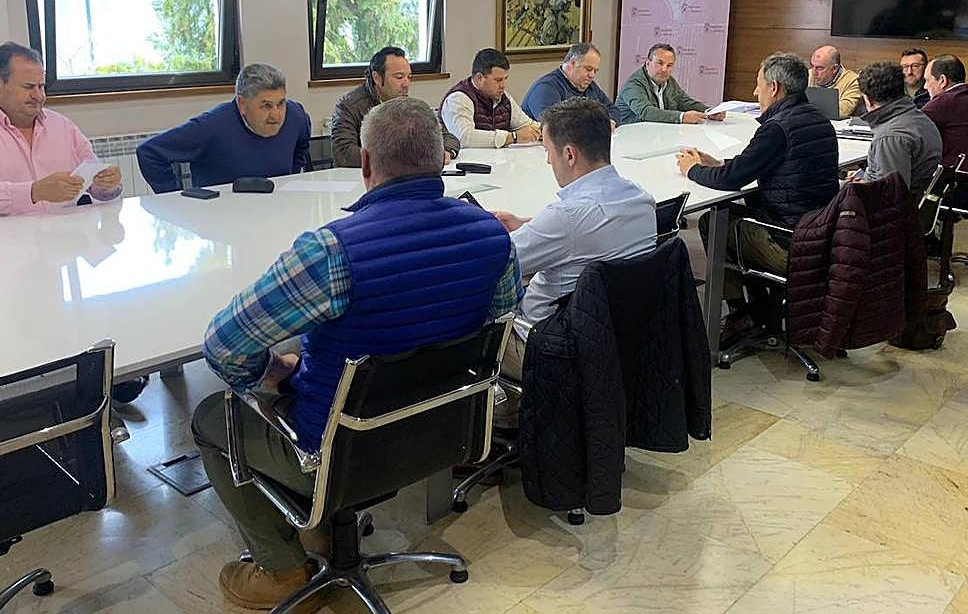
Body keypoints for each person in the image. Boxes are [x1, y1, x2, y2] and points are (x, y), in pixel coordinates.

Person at [192, 96, 522, 610]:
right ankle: (325, 528)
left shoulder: (330, 252)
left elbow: (222, 346)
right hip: (442, 434)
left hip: (340, 454)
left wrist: (272, 372)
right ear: (441, 159)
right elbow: (496, 327)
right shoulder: (493, 237)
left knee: (212, 415)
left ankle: (281, 570)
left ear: (365, 163)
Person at [493, 98, 656, 388]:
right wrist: (528, 224)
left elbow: (498, 261)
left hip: (550, 345)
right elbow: (587, 229)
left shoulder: (565, 218)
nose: (548, 161)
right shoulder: (642, 200)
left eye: (548, 151)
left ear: (569, 154)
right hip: (618, 337)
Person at [677, 52, 838, 338]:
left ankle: (743, 313)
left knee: (713, 223)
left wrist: (692, 170)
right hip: (821, 235)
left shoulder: (777, 127)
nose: (755, 92)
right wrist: (718, 163)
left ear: (774, 88)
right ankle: (761, 307)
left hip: (788, 241)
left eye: (758, 85)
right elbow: (759, 164)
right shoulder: (819, 120)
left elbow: (731, 180)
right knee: (738, 216)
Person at [0, 42, 122, 223]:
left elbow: (95, 181)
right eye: (28, 87)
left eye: (41, 87)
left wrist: (106, 184)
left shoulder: (62, 126)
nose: (39, 96)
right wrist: (33, 192)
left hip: (62, 236)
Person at [136, 64, 310, 193]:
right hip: (220, 215)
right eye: (266, 106)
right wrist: (174, 198)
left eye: (280, 103)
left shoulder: (296, 116)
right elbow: (149, 152)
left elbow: (301, 146)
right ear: (242, 104)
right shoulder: (211, 126)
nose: (276, 115)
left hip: (277, 206)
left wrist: (289, 178)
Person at [331, 46, 459, 168]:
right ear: (377, 77)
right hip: (362, 177)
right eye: (399, 77)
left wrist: (447, 151)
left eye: (409, 77)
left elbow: (448, 138)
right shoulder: (349, 106)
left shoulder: (408, 105)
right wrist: (401, 158)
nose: (406, 84)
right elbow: (344, 154)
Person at [857, 62, 941, 199]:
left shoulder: (890, 137)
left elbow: (890, 197)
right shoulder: (919, 118)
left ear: (868, 99)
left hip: (890, 209)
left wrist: (856, 189)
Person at [440, 47, 540, 148]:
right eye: (498, 80)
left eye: (505, 79)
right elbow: (464, 137)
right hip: (466, 158)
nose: (503, 85)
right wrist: (513, 137)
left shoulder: (504, 98)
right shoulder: (458, 98)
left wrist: (544, 131)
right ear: (479, 78)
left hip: (500, 157)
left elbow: (526, 124)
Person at [520, 43, 630, 125]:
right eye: (588, 69)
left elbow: (614, 110)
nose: (592, 75)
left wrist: (610, 121)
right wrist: (597, 124)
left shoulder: (589, 85)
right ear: (572, 63)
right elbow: (553, 125)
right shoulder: (546, 88)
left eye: (595, 71)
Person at [617, 43, 725, 124]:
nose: (664, 69)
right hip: (630, 137)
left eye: (669, 65)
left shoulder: (668, 80)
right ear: (648, 64)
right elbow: (646, 112)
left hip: (655, 134)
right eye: (660, 63)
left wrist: (709, 111)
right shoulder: (634, 85)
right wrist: (682, 117)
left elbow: (683, 101)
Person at [808, 45, 862, 118]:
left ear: (834, 68)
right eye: (812, 66)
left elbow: (843, 111)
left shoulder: (852, 81)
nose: (814, 73)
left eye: (820, 68)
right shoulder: (808, 75)